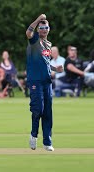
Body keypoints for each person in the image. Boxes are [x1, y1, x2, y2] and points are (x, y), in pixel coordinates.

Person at [25, 14, 63, 151]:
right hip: (35, 80)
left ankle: (47, 142)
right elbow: (28, 32)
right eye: (41, 28)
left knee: (47, 112)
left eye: (46, 27)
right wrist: (37, 19)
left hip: (47, 81)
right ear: (38, 29)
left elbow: (46, 62)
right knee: (38, 109)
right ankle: (33, 135)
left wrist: (55, 68)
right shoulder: (34, 40)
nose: (44, 30)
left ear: (49, 29)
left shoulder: (48, 44)